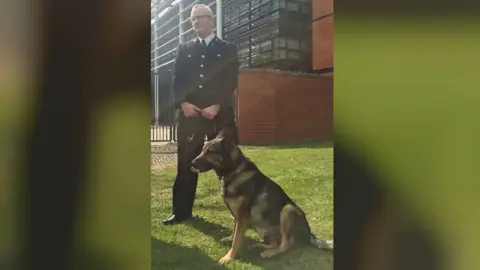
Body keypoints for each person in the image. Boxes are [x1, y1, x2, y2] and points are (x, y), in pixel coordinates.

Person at [163, 4, 239, 225]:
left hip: (220, 115)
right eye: (192, 19)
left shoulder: (228, 48)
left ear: (212, 20)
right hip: (190, 116)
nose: (195, 22)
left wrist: (217, 105)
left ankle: (242, 211)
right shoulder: (184, 49)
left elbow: (231, 79)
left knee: (231, 164)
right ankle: (181, 212)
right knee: (187, 164)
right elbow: (177, 81)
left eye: (200, 18)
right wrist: (183, 104)